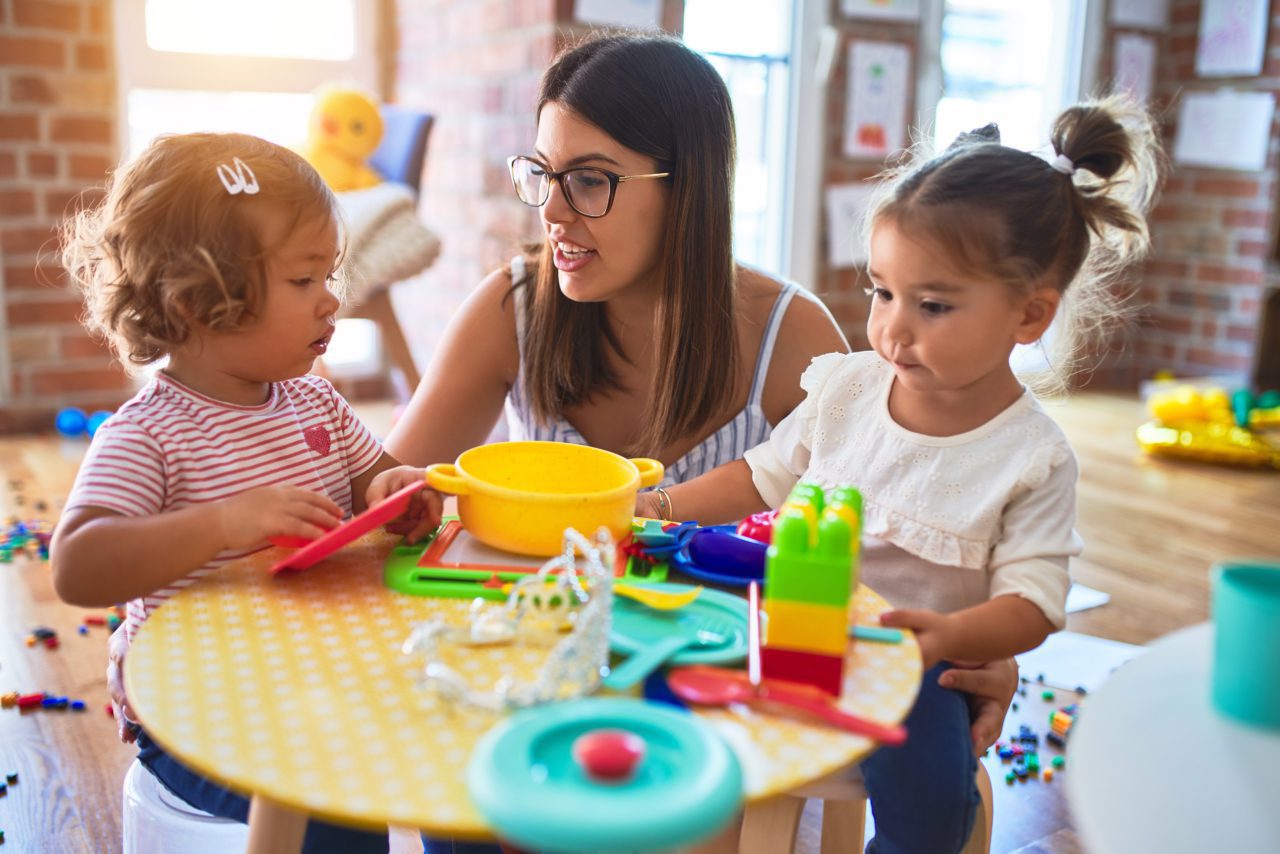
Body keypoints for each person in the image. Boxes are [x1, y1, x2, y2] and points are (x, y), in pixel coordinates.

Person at [376, 28, 1015, 751]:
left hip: (717, 713)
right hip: (541, 679)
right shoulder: (514, 305)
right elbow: (383, 496)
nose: (551, 212)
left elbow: (891, 534)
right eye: (543, 175)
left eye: (589, 180)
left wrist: (983, 640)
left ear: (688, 189)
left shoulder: (790, 338)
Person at [638, 96, 1162, 853]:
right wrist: (654, 504)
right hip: (787, 620)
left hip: (915, 665)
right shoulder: (847, 388)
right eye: (882, 291)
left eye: (934, 305)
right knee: (677, 683)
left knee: (928, 806)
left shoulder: (1031, 456)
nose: (892, 327)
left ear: (1029, 316)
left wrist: (951, 632)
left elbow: (1035, 601)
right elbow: (760, 478)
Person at [52, 131, 419, 853]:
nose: (332, 299)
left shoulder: (315, 405)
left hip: (313, 681)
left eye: (329, 275)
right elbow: (77, 563)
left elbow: (371, 480)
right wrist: (224, 523)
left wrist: (395, 488)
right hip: (197, 715)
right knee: (334, 805)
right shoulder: (148, 435)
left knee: (410, 754)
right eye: (303, 280)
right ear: (196, 300)